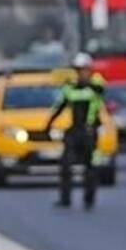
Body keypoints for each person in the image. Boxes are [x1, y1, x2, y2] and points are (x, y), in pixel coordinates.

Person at [44, 53, 106, 209]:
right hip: (74, 131)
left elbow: (100, 89)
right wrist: (48, 125)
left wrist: (88, 83)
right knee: (66, 165)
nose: (81, 73)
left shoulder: (95, 86)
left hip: (90, 132)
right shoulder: (69, 89)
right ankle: (65, 199)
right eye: (79, 70)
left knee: (91, 167)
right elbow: (59, 107)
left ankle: (89, 199)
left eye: (84, 70)